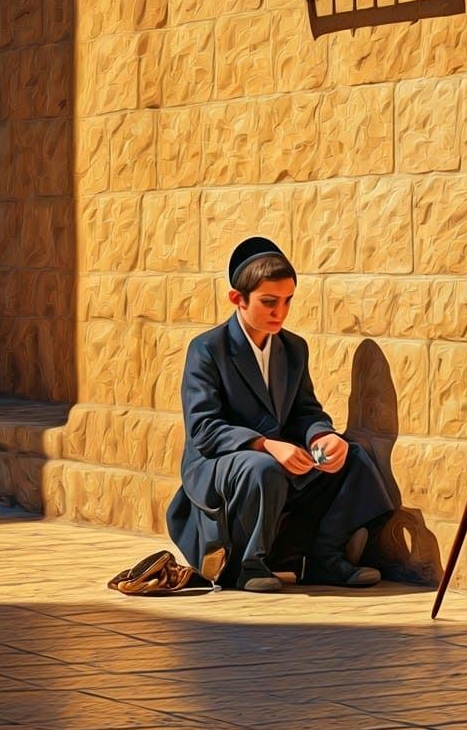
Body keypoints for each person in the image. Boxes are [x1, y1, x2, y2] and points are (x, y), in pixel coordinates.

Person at [166, 237, 395, 592]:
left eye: (287, 301)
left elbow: (305, 411)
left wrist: (322, 436)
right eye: (269, 302)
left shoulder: (293, 348)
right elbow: (204, 429)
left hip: (278, 457)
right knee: (262, 467)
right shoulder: (208, 349)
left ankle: (324, 557)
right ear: (237, 299)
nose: (280, 312)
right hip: (217, 463)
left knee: (352, 456)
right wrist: (266, 445)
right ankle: (248, 566)